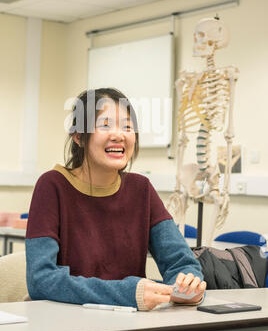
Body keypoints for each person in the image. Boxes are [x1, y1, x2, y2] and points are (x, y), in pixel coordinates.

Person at [25, 88, 206, 311]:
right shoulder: (52, 185)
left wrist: (188, 284)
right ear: (78, 136)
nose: (119, 135)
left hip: (129, 324)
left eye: (128, 127)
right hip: (64, 321)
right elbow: (40, 280)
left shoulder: (141, 189)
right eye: (105, 125)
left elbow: (181, 261)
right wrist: (127, 293)